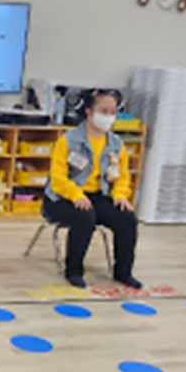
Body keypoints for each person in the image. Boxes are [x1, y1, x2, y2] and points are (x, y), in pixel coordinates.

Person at [44, 89, 140, 290]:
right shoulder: (68, 140)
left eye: (113, 111)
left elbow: (122, 176)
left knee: (127, 218)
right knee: (84, 216)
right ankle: (74, 271)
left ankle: (123, 272)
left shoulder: (115, 144)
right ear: (89, 111)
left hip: (98, 195)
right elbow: (58, 178)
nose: (109, 116)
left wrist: (121, 195)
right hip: (62, 197)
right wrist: (76, 196)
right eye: (104, 110)